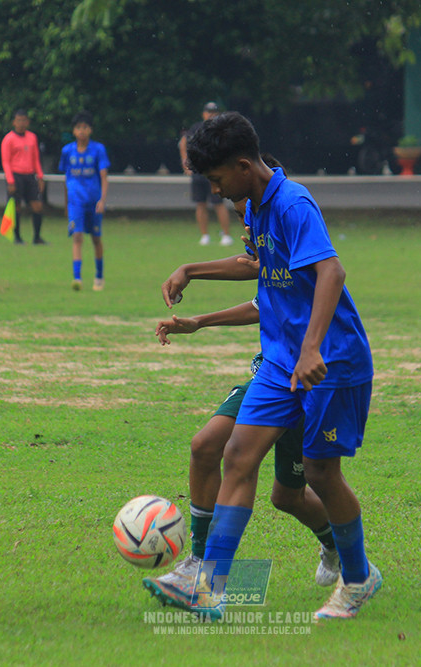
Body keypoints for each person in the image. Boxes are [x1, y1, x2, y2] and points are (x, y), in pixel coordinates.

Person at [154, 112, 380, 620]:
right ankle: (210, 588)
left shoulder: (295, 203)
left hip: (331, 361)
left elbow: (331, 271)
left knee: (320, 476)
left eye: (217, 181)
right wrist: (192, 269)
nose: (216, 193)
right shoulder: (255, 206)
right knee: (235, 453)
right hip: (280, 361)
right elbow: (259, 265)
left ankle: (359, 578)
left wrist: (312, 347)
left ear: (241, 165)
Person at [143, 299, 341, 602]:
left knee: (288, 497)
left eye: (251, 249)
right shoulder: (270, 259)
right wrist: (197, 318)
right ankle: (200, 565)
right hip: (268, 379)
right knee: (205, 446)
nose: (248, 254)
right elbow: (262, 302)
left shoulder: (305, 260)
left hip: (306, 385)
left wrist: (193, 271)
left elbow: (267, 279)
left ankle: (339, 547)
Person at [59, 112, 110, 291]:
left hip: (93, 200)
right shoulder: (67, 151)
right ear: (73, 131)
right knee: (77, 237)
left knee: (96, 238)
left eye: (85, 127)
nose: (82, 131)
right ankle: (77, 277)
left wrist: (102, 200)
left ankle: (99, 276)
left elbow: (104, 177)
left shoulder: (98, 150)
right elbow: (66, 178)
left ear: (90, 130)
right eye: (78, 127)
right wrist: (66, 203)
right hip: (75, 202)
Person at [179, 102, 233, 247]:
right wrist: (186, 162)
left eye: (214, 112)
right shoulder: (196, 128)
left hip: (214, 173)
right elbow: (183, 143)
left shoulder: (221, 130)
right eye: (208, 112)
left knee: (218, 203)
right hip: (198, 172)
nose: (211, 115)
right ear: (203, 114)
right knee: (200, 203)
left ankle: (226, 234)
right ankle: (205, 235)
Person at [1, 109, 46, 245]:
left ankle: (37, 237)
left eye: (24, 120)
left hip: (30, 175)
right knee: (17, 207)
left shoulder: (32, 137)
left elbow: (36, 158)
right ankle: (17, 237)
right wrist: (10, 180)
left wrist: (40, 176)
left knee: (37, 205)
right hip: (16, 176)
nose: (21, 123)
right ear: (14, 122)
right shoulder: (8, 139)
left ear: (27, 122)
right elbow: (6, 161)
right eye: (18, 120)